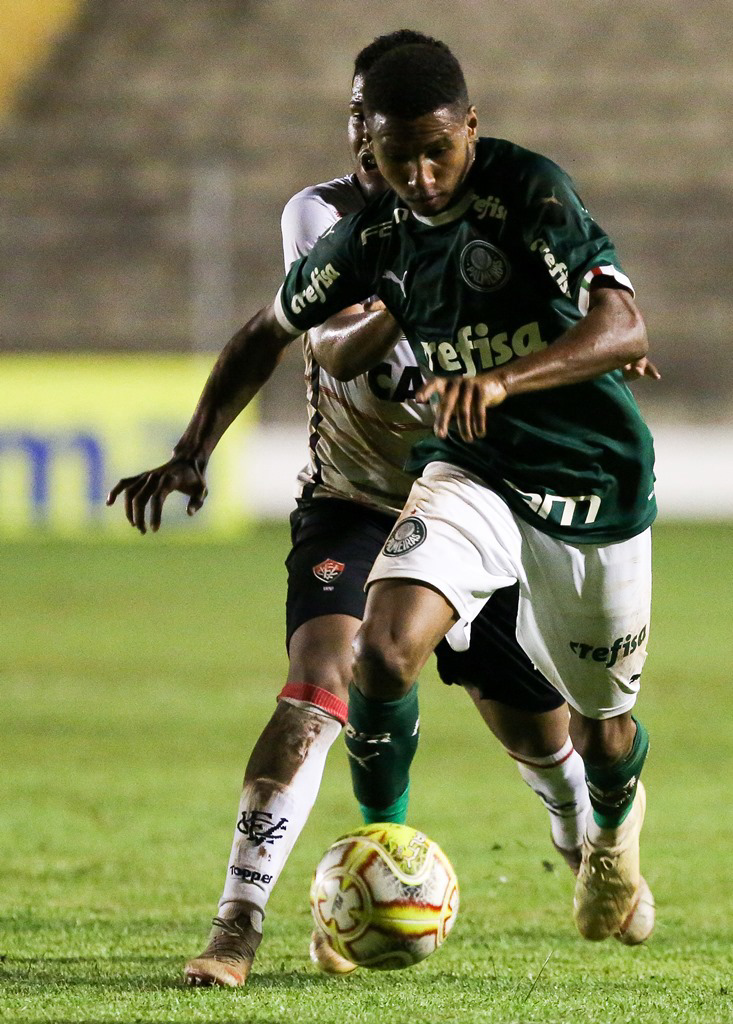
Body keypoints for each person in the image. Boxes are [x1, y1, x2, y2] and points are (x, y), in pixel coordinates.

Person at [108, 34, 657, 981]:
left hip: (576, 487)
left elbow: (619, 321)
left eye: (434, 152)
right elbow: (301, 339)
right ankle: (305, 890)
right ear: (360, 132)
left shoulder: (524, 192)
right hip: (407, 488)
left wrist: (535, 365)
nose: (416, 175)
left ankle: (601, 838)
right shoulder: (343, 224)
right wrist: (193, 450)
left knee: (572, 730)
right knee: (363, 657)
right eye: (395, 153)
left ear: (469, 130)